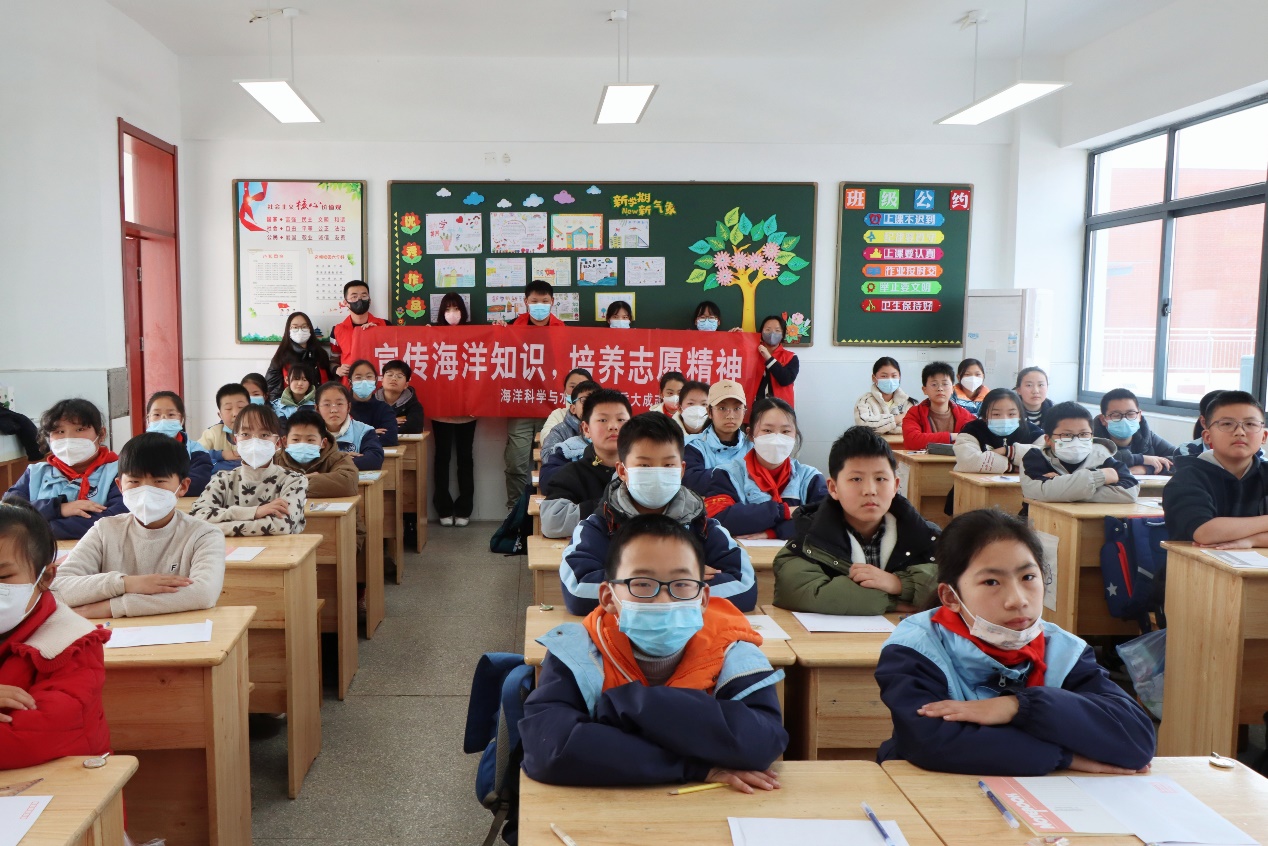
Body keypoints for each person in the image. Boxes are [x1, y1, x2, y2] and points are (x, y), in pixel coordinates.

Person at [875, 509, 1156, 776]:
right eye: (991, 582)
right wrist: (1063, 757)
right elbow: (929, 741)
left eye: (1028, 577)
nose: (1018, 600)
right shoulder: (917, 648)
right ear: (951, 597)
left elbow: (1136, 741)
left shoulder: (1064, 650)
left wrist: (1020, 707)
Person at [520, 513, 787, 789]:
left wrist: (622, 705)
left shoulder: (732, 648)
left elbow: (760, 743)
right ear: (608, 597)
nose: (663, 600)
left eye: (682, 585)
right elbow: (550, 749)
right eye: (642, 584)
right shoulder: (579, 651)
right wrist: (694, 766)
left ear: (703, 599)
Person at [559, 413, 756, 615]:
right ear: (622, 471)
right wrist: (682, 580)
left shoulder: (702, 525)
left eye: (668, 465)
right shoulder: (600, 526)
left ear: (682, 470)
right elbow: (579, 591)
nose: (657, 473)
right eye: (644, 465)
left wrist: (638, 585)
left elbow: (744, 587)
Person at [53, 433, 225, 618]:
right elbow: (57, 588)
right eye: (134, 482)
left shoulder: (204, 535)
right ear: (120, 486)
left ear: (183, 486)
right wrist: (126, 583)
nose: (145, 490)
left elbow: (202, 593)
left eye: (159, 481)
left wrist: (113, 607)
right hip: (114, 634)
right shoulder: (104, 530)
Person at [773, 427, 939, 615]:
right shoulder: (809, 536)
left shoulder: (926, 536)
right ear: (833, 488)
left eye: (880, 478)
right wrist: (892, 602)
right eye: (856, 479)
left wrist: (900, 584)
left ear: (895, 486)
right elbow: (798, 590)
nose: (870, 490)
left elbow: (953, 584)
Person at [0, 496, 111, 768]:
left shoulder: (71, 645)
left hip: (58, 788)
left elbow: (24, 742)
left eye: (3, 577)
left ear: (46, 577)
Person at [705, 397, 827, 540]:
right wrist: (785, 512)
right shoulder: (727, 474)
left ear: (795, 435)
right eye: (767, 430)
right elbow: (719, 518)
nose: (776, 439)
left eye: (785, 431)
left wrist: (774, 532)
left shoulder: (810, 477)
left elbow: (828, 519)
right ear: (751, 434)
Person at [5, 399, 125, 540]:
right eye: (59, 431)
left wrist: (35, 527)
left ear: (101, 434)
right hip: (43, 552)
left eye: (80, 429)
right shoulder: (35, 473)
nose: (69, 438)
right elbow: (9, 511)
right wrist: (59, 508)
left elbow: (115, 520)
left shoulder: (119, 472)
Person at [1163, 390, 1268, 545]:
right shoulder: (1187, 478)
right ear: (1207, 437)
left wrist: (1252, 541)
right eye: (1227, 424)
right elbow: (1205, 532)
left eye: (1250, 424)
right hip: (1196, 560)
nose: (1240, 432)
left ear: (1264, 436)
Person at [190, 403, 308, 536]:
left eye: (264, 435)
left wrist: (217, 527)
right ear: (236, 440)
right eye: (245, 434)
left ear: (278, 443)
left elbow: (281, 526)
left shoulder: (294, 481)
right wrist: (255, 512)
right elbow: (197, 516)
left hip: (277, 549)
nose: (254, 441)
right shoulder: (223, 480)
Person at [501, 280, 564, 510]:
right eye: (535, 301)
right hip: (521, 405)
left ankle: (548, 510)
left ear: (552, 302)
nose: (540, 305)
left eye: (544, 301)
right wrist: (498, 331)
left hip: (552, 408)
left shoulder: (565, 331)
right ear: (525, 302)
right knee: (516, 464)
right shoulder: (511, 328)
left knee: (553, 462)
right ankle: (516, 512)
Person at [540, 390, 631, 539]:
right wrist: (612, 505)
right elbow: (552, 522)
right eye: (603, 420)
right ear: (586, 429)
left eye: (621, 420)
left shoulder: (642, 472)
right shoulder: (571, 474)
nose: (613, 426)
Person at [1021, 402, 1139, 503]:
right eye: (1066, 435)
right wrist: (1100, 476)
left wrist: (1062, 489)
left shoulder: (1103, 457)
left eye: (1084, 434)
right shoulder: (1034, 458)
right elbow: (1039, 491)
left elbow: (1130, 493)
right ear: (1048, 439)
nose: (1076, 440)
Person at [431, 292, 478, 527]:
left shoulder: (475, 334)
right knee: (442, 458)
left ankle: (464, 509)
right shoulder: (432, 334)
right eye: (448, 309)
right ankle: (443, 507)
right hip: (441, 410)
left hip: (467, 410)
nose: (452, 313)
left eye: (456, 308)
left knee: (465, 459)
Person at [953, 388, 1045, 474]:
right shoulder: (971, 430)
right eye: (996, 414)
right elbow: (966, 461)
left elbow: (1047, 456)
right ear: (984, 416)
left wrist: (1008, 451)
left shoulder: (1032, 431)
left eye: (1011, 414)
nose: (1004, 419)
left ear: (1020, 415)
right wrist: (1011, 467)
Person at [683, 380, 751, 494]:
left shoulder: (753, 446)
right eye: (722, 408)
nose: (730, 415)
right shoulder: (694, 446)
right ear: (709, 412)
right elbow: (692, 481)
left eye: (737, 408)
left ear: (744, 411)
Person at [274, 408, 359, 498]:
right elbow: (265, 486)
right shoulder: (274, 460)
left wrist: (290, 483)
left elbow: (348, 484)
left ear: (323, 443)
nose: (303, 444)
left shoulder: (339, 458)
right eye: (296, 439)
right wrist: (303, 479)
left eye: (310, 440)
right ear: (285, 442)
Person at [1094, 388, 1180, 475]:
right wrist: (1142, 459)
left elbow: (1182, 458)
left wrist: (1146, 469)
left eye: (1130, 413)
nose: (1124, 419)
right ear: (1103, 419)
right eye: (1116, 415)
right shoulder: (1090, 438)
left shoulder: (1146, 436)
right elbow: (1099, 460)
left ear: (1139, 416)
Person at [144, 390, 213, 497]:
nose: (163, 419)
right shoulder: (137, 450)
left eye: (171, 414)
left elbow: (199, 482)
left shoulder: (196, 450)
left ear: (181, 419)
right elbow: (129, 481)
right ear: (148, 419)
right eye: (156, 414)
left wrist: (155, 486)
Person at [902, 362, 975, 451]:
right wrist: (952, 436)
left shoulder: (965, 415)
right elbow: (912, 441)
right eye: (934, 384)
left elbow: (974, 440)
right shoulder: (915, 413)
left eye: (945, 384)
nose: (940, 388)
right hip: (925, 460)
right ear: (924, 390)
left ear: (952, 389)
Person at [315, 381, 384, 471]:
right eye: (327, 405)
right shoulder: (307, 432)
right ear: (317, 409)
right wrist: (342, 458)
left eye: (339, 404)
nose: (334, 410)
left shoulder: (364, 431)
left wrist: (327, 464)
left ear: (349, 407)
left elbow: (374, 460)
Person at [265, 311, 332, 400]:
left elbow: (329, 383)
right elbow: (272, 389)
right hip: (289, 405)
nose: (300, 331)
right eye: (295, 327)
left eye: (304, 327)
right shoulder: (281, 356)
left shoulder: (320, 354)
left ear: (310, 328)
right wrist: (279, 406)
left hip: (318, 403)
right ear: (288, 330)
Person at [330, 281, 388, 379]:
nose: (359, 300)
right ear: (345, 303)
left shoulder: (385, 325)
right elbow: (332, 360)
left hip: (379, 381)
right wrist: (337, 369)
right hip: (350, 383)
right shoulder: (337, 330)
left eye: (364, 296)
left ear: (369, 300)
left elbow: (396, 353)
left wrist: (378, 333)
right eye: (354, 296)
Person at [197, 382, 250, 475]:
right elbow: (196, 455)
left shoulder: (258, 434)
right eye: (228, 408)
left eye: (241, 407)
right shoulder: (212, 433)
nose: (235, 413)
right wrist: (221, 455)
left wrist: (219, 464)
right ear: (220, 415)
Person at [854, 357, 915, 435]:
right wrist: (897, 419)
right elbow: (864, 427)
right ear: (874, 378)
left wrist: (881, 425)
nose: (890, 380)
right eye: (884, 376)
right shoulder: (864, 401)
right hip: (874, 443)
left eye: (894, 376)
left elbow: (914, 427)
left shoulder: (908, 402)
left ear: (899, 377)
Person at [542, 380, 600, 458]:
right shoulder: (560, 431)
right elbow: (548, 457)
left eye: (596, 400)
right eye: (584, 400)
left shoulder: (610, 428)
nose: (590, 405)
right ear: (573, 408)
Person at [348, 359, 399, 446]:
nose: (364, 381)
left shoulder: (384, 409)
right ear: (350, 382)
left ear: (375, 380)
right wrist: (370, 433)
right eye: (358, 377)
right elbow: (338, 438)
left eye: (369, 377)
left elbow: (390, 439)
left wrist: (356, 437)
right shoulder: (343, 408)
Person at [539, 368, 595, 448]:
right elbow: (547, 440)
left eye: (582, 387)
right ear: (565, 390)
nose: (576, 390)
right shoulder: (558, 414)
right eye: (572, 386)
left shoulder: (600, 417)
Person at [752, 314, 798, 406]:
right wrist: (738, 337)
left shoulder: (791, 357)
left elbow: (785, 380)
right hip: (755, 407)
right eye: (767, 330)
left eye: (777, 330)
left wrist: (768, 358)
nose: (772, 334)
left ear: (783, 334)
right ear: (761, 332)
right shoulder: (752, 354)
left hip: (781, 408)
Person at [376, 359, 425, 435]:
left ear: (406, 385)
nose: (394, 378)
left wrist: (380, 426)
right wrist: (390, 422)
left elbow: (415, 428)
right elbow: (363, 426)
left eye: (399, 376)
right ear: (382, 380)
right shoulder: (371, 402)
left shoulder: (414, 405)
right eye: (390, 375)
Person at [1015, 367, 1052, 432]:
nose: (1035, 391)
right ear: (1019, 390)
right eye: (1029, 385)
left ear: (1047, 387)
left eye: (1041, 385)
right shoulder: (1010, 414)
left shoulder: (1056, 413)